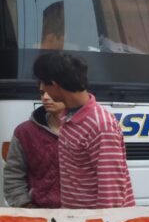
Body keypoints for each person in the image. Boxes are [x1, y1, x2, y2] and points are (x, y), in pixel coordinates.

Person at [32, 52, 134, 208]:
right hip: (78, 221)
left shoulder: (100, 126)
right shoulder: (68, 117)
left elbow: (111, 192)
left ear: (54, 85)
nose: (41, 89)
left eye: (43, 84)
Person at [3, 91, 64, 208]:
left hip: (82, 213)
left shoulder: (90, 128)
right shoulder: (24, 132)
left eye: (51, 91)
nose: (45, 97)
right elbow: (13, 175)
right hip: (36, 211)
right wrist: (25, 206)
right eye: (42, 92)